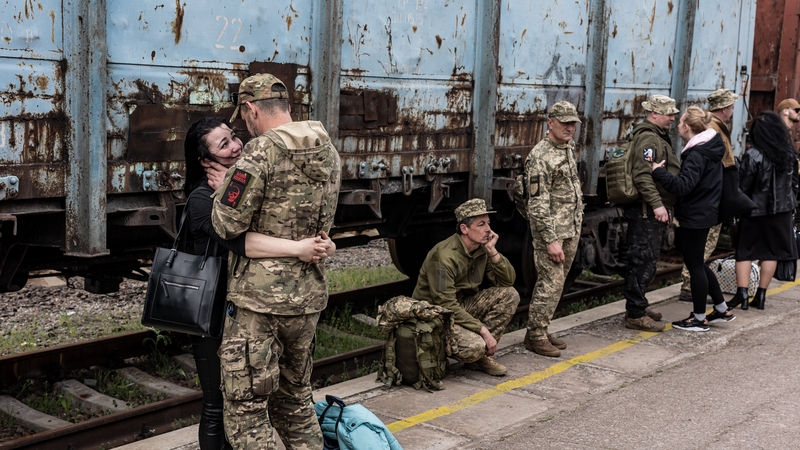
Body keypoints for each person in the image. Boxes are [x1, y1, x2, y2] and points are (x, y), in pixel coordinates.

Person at [183, 117, 333, 450]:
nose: (236, 146)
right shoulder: (200, 200)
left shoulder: (250, 184)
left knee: (262, 398)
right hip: (213, 311)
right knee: (217, 404)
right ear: (205, 162)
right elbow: (238, 240)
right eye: (223, 145)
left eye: (233, 137)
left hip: (248, 308)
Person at [211, 73, 341, 449]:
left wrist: (224, 189)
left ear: (252, 109)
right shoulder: (327, 150)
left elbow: (225, 225)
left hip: (259, 304)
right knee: (296, 401)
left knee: (247, 415)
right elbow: (323, 230)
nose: (245, 127)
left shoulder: (260, 152)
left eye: (244, 117)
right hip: (307, 299)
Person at [412, 198, 520, 376]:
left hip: (459, 307)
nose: (488, 230)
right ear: (464, 229)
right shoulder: (444, 256)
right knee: (475, 346)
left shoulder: (481, 249)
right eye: (481, 224)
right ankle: (465, 351)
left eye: (488, 223)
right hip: (435, 316)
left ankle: (480, 358)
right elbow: (445, 305)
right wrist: (482, 330)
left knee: (510, 295)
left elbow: (507, 282)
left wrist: (493, 252)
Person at [651, 106, 734, 331]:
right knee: (698, 262)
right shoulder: (710, 147)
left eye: (680, 122)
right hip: (705, 212)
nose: (677, 124)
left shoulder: (697, 153)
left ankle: (698, 319)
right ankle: (721, 309)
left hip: (696, 215)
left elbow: (683, 186)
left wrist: (658, 172)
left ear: (687, 127)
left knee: (695, 265)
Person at [522, 101, 583, 358]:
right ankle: (535, 336)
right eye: (564, 122)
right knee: (549, 283)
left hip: (570, 227)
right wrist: (549, 240)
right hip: (553, 233)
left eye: (573, 123)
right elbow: (537, 204)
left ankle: (542, 330)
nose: (570, 127)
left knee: (557, 285)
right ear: (550, 123)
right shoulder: (540, 156)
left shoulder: (567, 147)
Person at [727, 111, 799, 310]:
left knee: (745, 252)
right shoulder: (789, 154)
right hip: (782, 212)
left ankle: (741, 294)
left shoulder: (753, 154)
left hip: (755, 212)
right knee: (771, 252)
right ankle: (761, 295)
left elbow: (743, 186)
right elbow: (794, 185)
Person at [621, 94, 680, 332]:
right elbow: (643, 175)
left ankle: (638, 306)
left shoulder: (655, 136)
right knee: (642, 261)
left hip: (649, 211)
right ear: (654, 113)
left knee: (646, 261)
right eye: (669, 114)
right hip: (646, 212)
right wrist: (657, 205)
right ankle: (635, 315)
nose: (672, 119)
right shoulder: (648, 138)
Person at [678, 88, 738, 303]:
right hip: (708, 202)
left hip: (707, 200)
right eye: (731, 106)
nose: (732, 110)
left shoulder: (713, 127)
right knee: (700, 254)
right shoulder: (713, 129)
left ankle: (716, 305)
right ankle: (691, 290)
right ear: (724, 108)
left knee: (699, 254)